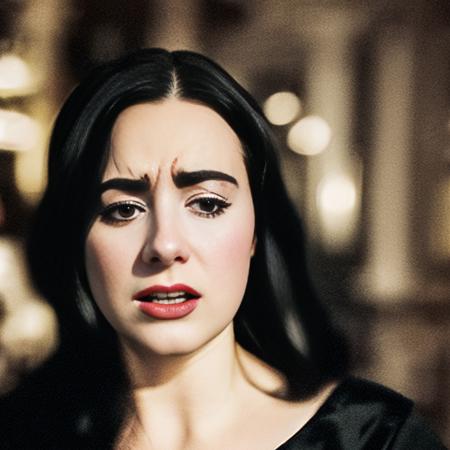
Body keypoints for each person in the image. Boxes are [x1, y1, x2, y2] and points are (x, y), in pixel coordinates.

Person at [1, 49, 445, 449]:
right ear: (75, 236)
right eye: (123, 210)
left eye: (208, 204)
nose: (165, 245)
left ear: (255, 230)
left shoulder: (376, 441)